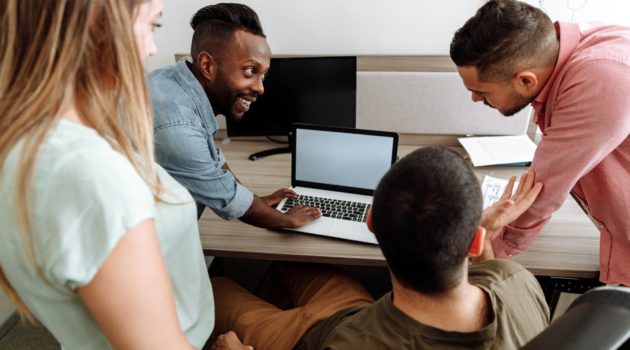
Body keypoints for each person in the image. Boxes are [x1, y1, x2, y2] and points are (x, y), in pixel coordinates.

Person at [0, 0, 226, 348]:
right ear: (97, 19)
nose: (151, 50)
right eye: (153, 26)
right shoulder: (86, 173)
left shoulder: (34, 141)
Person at [211, 147, 549, 350]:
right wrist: (485, 232)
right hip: (359, 314)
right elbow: (488, 273)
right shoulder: (516, 281)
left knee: (218, 286)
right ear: (475, 242)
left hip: (314, 337)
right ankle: (273, 315)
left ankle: (271, 331)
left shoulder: (353, 346)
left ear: (371, 223)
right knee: (289, 265)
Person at [450, 0, 630, 285]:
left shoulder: (600, 79)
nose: (474, 99)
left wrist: (482, 258)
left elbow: (541, 192)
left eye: (480, 91)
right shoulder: (569, 48)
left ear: (525, 80)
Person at [147, 3, 320, 228]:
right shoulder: (178, 126)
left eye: (263, 75)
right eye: (250, 71)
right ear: (207, 65)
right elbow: (230, 203)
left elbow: (214, 165)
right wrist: (289, 220)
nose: (260, 88)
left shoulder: (172, 82)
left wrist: (255, 200)